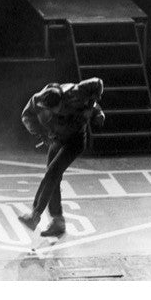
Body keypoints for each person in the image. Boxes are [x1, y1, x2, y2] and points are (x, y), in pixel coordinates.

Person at [17, 77, 105, 238]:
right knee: (52, 177)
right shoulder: (38, 100)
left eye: (56, 108)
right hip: (57, 139)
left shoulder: (75, 94)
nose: (53, 112)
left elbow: (96, 87)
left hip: (75, 140)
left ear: (63, 100)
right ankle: (58, 221)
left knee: (52, 173)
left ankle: (35, 216)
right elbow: (26, 116)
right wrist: (42, 134)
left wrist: (97, 112)